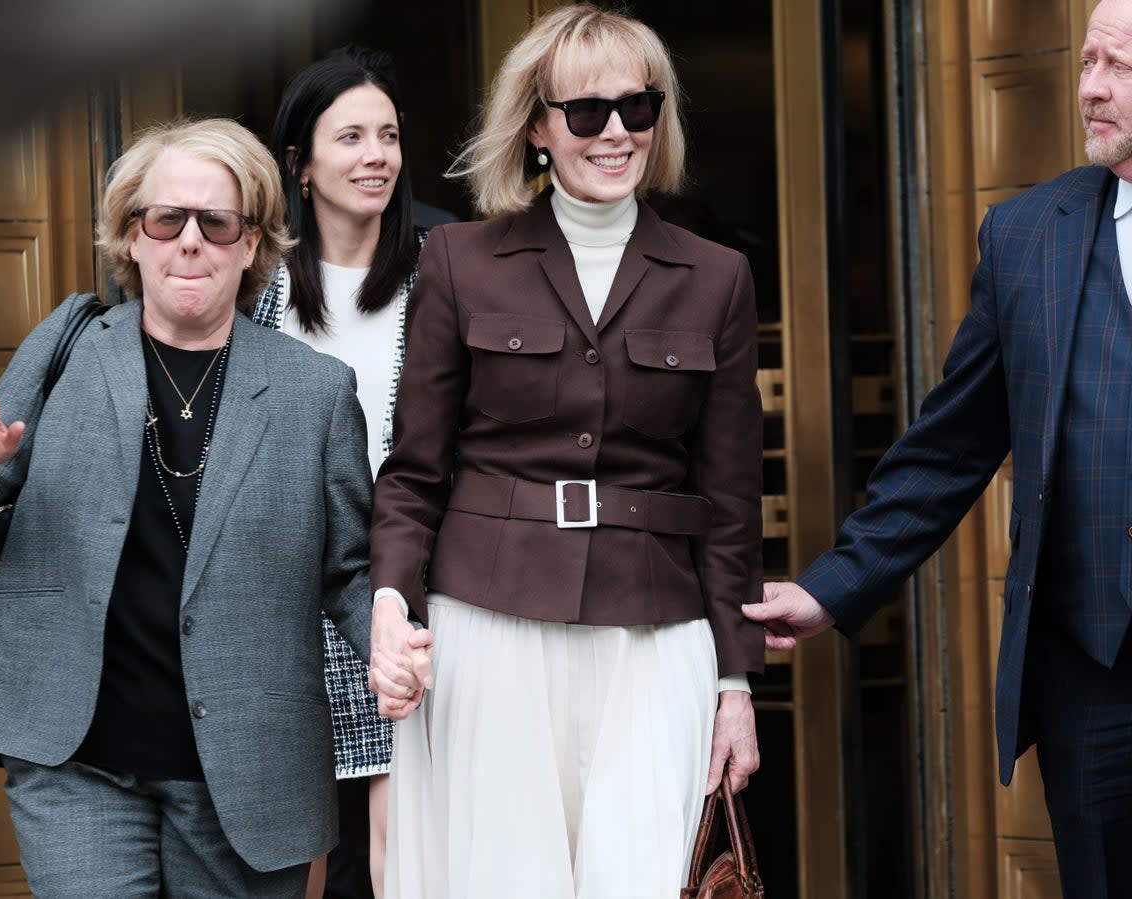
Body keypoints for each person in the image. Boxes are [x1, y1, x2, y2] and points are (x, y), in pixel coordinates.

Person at [0, 117, 421, 899]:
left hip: (247, 767)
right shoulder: (71, 344)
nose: (189, 241)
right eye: (167, 219)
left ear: (251, 241)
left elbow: (349, 569)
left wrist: (390, 641)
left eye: (216, 222)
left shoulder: (314, 391)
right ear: (132, 237)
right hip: (76, 755)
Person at [366, 6, 764, 897]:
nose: (616, 131)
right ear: (539, 128)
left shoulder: (718, 277)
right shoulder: (459, 262)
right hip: (489, 625)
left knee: (646, 876)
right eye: (587, 112)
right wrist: (392, 602)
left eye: (638, 106)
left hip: (656, 636)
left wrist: (735, 682)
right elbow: (414, 470)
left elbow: (733, 498)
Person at [743, 2, 1132, 896]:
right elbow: (947, 448)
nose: (1090, 89)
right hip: (1095, 673)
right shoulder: (1030, 236)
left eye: (1119, 68)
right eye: (1087, 63)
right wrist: (831, 587)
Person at [253, 45, 426, 899]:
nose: (375, 156)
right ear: (301, 161)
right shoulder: (255, 286)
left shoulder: (444, 273)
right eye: (350, 136)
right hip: (279, 605)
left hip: (407, 597)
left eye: (388, 135)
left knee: (407, 857)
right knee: (298, 863)